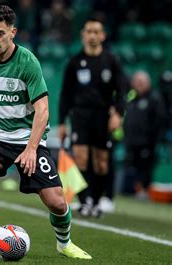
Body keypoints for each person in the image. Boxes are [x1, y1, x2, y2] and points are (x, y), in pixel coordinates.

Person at [0, 5, 91, 259]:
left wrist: (32, 148)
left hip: (27, 139)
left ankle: (64, 244)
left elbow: (43, 110)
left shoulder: (28, 62)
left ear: (13, 32)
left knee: (57, 202)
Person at [58, 18, 126, 218]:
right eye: (89, 31)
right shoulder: (74, 62)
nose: (93, 35)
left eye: (97, 32)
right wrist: (62, 122)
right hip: (79, 115)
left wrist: (118, 114)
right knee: (80, 159)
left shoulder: (111, 61)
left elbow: (122, 91)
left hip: (102, 116)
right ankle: (84, 201)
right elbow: (65, 95)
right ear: (83, 35)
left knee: (101, 162)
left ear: (103, 35)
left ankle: (96, 201)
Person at [123, 71, 166, 199]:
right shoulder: (132, 98)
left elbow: (159, 120)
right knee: (132, 167)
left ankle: (144, 191)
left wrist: (152, 139)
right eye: (136, 82)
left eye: (141, 82)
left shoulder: (154, 98)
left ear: (148, 83)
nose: (138, 85)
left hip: (147, 142)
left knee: (145, 168)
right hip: (132, 142)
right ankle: (134, 191)